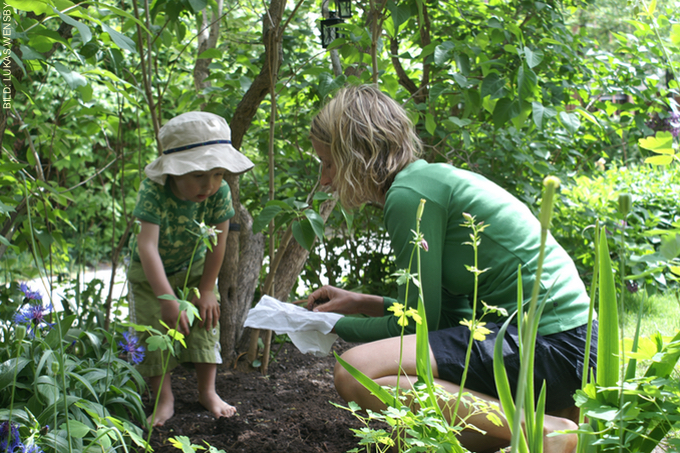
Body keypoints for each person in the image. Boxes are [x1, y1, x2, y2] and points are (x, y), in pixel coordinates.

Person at [305, 85, 596, 453]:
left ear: (357, 154)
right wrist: (363, 301)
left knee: (355, 370)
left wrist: (323, 324)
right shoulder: (429, 181)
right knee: (411, 438)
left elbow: (413, 323)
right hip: (574, 350)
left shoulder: (409, 196)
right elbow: (445, 316)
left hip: (548, 347)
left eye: (328, 164)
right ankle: (542, 429)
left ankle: (548, 430)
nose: (326, 179)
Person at [127, 111, 254, 427]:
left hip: (195, 269)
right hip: (149, 274)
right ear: (175, 170)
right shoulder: (154, 191)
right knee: (155, 332)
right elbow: (147, 247)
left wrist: (208, 287)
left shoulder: (219, 194)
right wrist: (166, 298)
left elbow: (219, 241)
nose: (209, 185)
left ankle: (207, 392)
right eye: (198, 174)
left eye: (218, 174)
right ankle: (164, 398)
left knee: (205, 323)